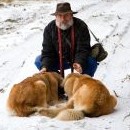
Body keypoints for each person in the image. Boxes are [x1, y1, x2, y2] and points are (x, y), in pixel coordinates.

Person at [35, 2, 99, 78]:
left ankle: (81, 82)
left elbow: (83, 49)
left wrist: (79, 63)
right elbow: (47, 52)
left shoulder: (81, 26)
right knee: (39, 61)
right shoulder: (49, 28)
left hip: (76, 58)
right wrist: (45, 67)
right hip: (58, 59)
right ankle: (58, 80)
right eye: (60, 16)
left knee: (91, 62)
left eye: (66, 15)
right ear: (55, 16)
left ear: (71, 15)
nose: (63, 19)